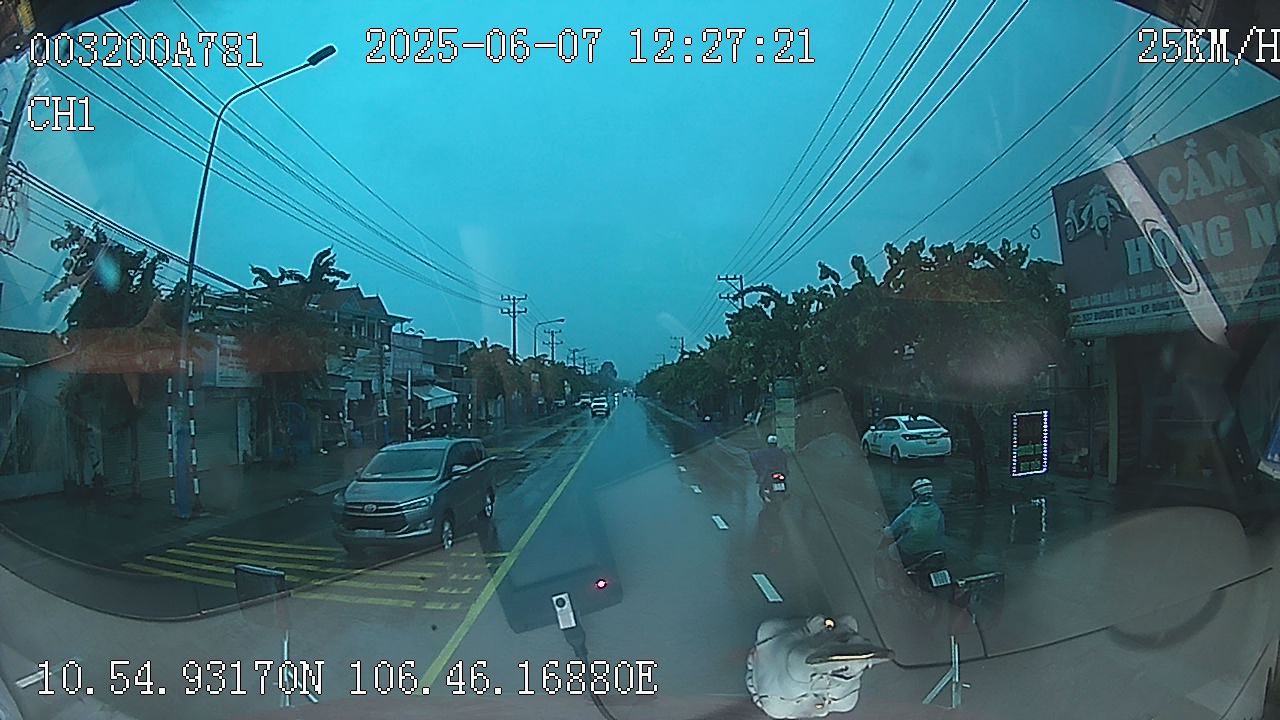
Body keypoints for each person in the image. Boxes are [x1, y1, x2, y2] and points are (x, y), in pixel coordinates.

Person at [881, 478, 946, 569]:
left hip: (910, 551)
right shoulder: (937, 510)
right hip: (934, 550)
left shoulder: (911, 512)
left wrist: (885, 530)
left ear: (915, 494)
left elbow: (892, 531)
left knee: (887, 553)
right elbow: (941, 531)